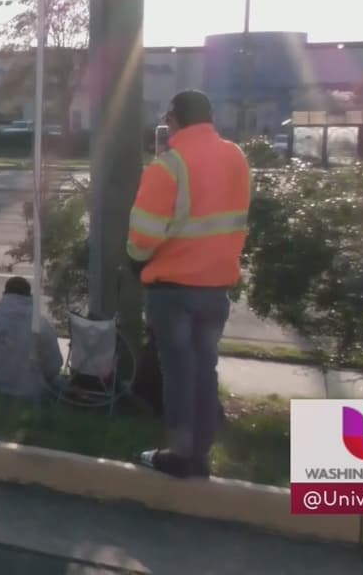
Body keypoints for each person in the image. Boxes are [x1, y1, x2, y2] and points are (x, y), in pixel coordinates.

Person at [127, 90, 251, 479]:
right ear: (210, 117)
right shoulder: (236, 157)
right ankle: (201, 451)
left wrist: (135, 263)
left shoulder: (168, 167)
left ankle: (181, 455)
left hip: (173, 288)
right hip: (216, 286)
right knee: (205, 367)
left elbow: (143, 236)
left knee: (179, 371)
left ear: (173, 118)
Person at [0, 276, 64, 401]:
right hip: (29, 393)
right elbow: (54, 366)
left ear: (4, 294)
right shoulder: (40, 324)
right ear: (29, 296)